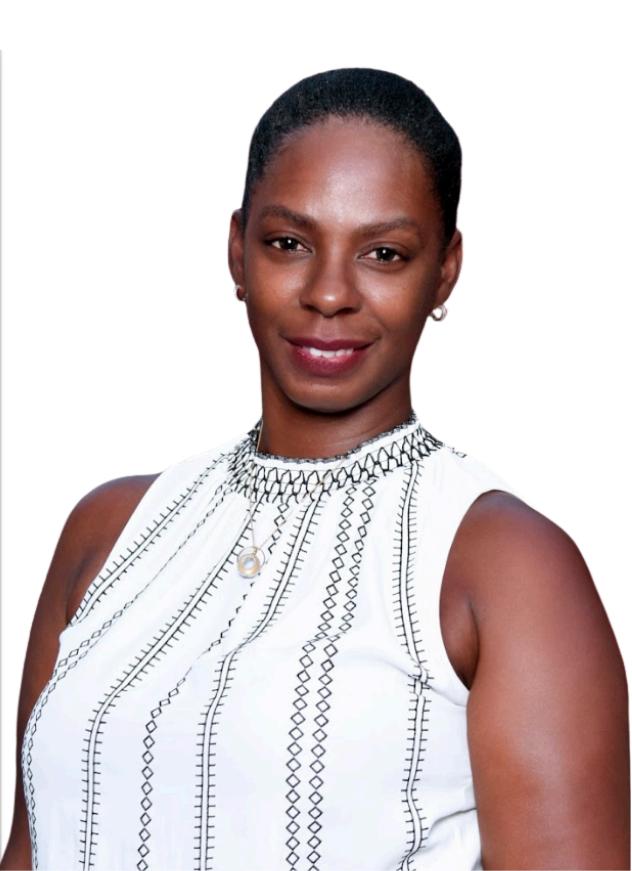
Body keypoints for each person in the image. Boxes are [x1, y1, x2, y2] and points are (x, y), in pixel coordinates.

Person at [1, 67, 629, 871]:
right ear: (237, 250)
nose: (329, 293)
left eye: (384, 253)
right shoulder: (109, 532)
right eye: (289, 243)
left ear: (444, 270)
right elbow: (34, 847)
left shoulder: (506, 563)